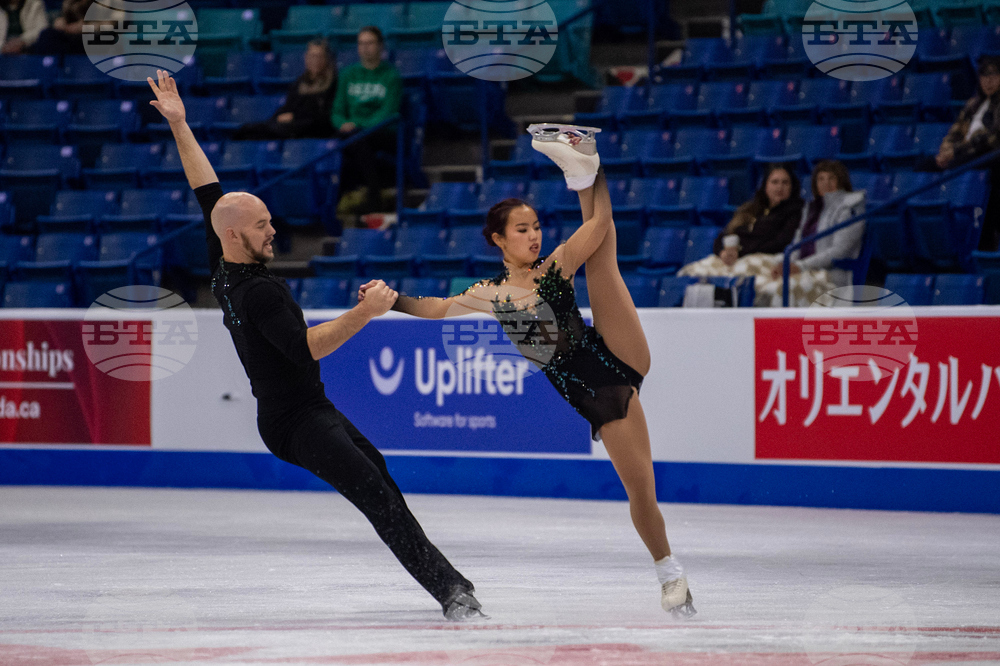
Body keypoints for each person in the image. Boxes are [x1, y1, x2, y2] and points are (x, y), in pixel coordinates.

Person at [146, 69, 483, 621]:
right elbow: (308, 348)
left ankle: (452, 582)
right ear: (235, 234)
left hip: (305, 410)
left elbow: (206, 188)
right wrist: (366, 313)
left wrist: (180, 124)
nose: (272, 230)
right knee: (376, 496)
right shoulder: (257, 292)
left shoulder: (223, 258)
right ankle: (451, 593)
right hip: (295, 421)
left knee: (381, 482)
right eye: (262, 225)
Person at [361, 125, 697, 619]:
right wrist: (392, 301)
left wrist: (592, 179)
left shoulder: (555, 267)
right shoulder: (490, 294)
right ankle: (672, 575)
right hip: (599, 391)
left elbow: (602, 221)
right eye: (522, 229)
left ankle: (584, 164)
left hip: (615, 355)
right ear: (498, 239)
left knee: (603, 256)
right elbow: (435, 308)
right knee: (641, 490)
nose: (534, 235)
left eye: (536, 226)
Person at [743, 160, 865, 307]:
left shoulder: (851, 207)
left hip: (830, 276)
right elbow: (797, 245)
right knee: (756, 278)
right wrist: (784, 264)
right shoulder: (811, 208)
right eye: (821, 179)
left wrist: (800, 266)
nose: (825, 183)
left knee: (780, 289)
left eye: (831, 178)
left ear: (841, 180)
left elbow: (840, 251)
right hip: (805, 270)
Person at [918, 55, 1000, 252]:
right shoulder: (973, 104)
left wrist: (955, 152)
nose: (988, 81)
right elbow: (955, 131)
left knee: (958, 166)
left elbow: (991, 139)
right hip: (962, 154)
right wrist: (946, 149)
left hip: (988, 157)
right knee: (925, 165)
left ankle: (968, 235)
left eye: (994, 75)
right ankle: (930, 228)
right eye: (984, 75)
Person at [678, 164, 804, 278]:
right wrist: (723, 252)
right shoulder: (750, 208)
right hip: (734, 258)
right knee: (690, 272)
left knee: (736, 278)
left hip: (763, 260)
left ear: (792, 187)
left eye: (785, 182)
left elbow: (781, 242)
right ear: (765, 185)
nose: (779, 187)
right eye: (774, 182)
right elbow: (722, 236)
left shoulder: (796, 212)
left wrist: (740, 251)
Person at [332, 26, 402, 215]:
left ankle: (365, 196)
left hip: (381, 132)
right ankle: (372, 193)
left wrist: (359, 126)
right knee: (350, 142)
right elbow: (337, 111)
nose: (365, 48)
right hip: (353, 133)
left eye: (370, 43)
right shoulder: (347, 74)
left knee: (355, 142)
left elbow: (388, 112)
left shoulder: (391, 75)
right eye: (361, 43)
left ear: (380, 46)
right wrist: (342, 123)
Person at [232, 40, 337, 141]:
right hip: (291, 125)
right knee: (246, 130)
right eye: (311, 56)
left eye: (319, 56)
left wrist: (295, 117)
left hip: (311, 128)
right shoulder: (299, 83)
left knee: (270, 130)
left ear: (327, 59)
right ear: (306, 57)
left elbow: (325, 116)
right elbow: (288, 106)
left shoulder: (333, 84)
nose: (315, 60)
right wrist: (276, 118)